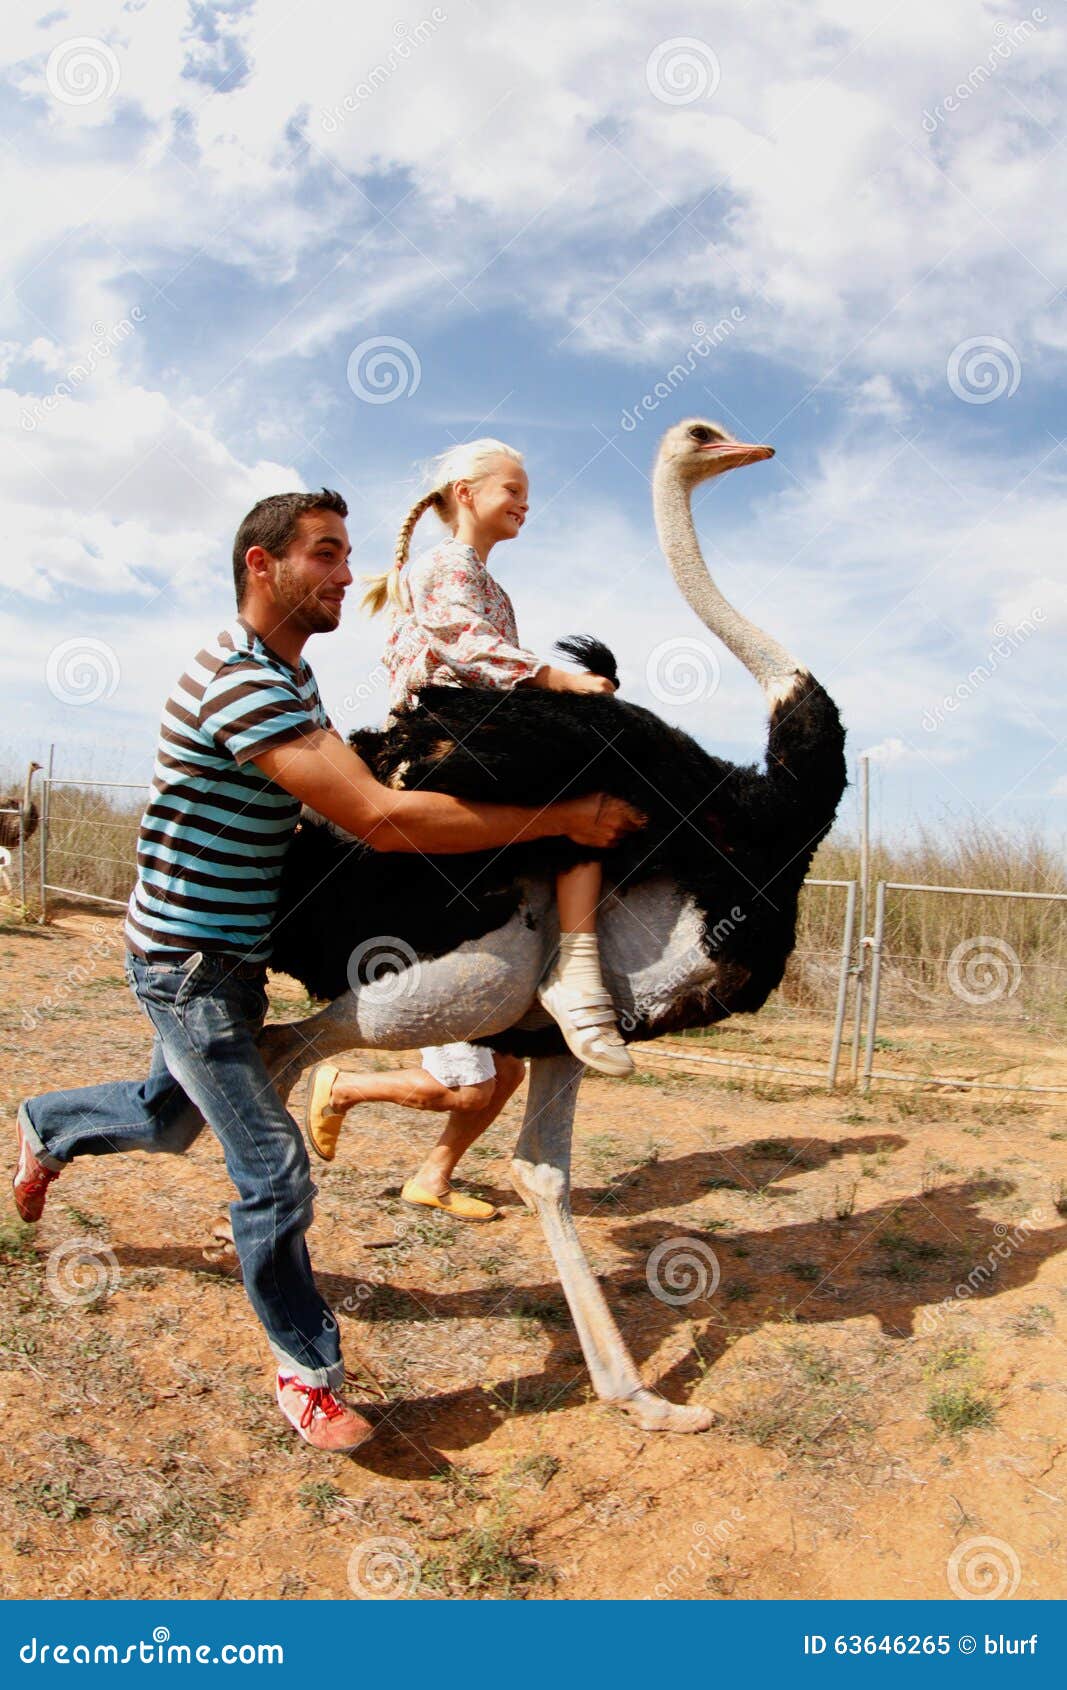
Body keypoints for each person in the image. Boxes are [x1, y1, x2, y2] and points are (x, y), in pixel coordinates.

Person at [12, 488, 643, 1453]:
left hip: (228, 959)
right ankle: (308, 1373)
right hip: (184, 962)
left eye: (347, 554)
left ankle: (45, 1124)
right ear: (262, 566)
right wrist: (558, 822)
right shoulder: (244, 683)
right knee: (272, 1170)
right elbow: (374, 820)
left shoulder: (290, 676)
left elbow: (338, 805)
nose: (348, 573)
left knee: (162, 1118)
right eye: (325, 554)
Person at [303, 439, 636, 1180]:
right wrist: (556, 679)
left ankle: (436, 1173)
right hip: (442, 730)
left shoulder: (478, 574)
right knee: (592, 770)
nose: (524, 502)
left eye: (526, 490)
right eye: (511, 488)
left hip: (467, 722)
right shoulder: (444, 566)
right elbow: (467, 645)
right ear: (465, 490)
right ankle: (576, 967)